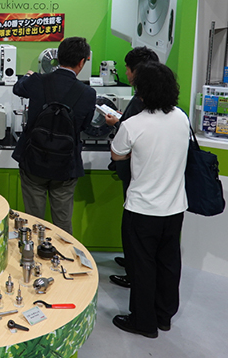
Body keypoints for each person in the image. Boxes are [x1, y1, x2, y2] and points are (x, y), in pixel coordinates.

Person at [110, 61, 189, 339]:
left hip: (142, 209)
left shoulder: (133, 125)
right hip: (174, 207)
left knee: (142, 267)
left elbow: (117, 154)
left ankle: (143, 322)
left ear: (142, 92)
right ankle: (164, 316)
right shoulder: (181, 118)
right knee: (169, 264)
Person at [12, 37, 96, 234]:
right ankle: (63, 252)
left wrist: (28, 76)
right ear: (82, 62)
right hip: (65, 166)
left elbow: (17, 88)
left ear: (58, 58)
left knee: (33, 221)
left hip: (33, 161)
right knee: (62, 224)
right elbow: (84, 126)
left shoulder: (37, 81)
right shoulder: (87, 93)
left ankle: (31, 251)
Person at [104, 46, 159, 287]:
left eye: (127, 68)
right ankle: (132, 262)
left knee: (133, 226)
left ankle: (134, 272)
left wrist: (118, 123)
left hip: (135, 171)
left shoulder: (139, 101)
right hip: (152, 176)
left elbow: (123, 146)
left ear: (137, 71)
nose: (125, 73)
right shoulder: (166, 107)